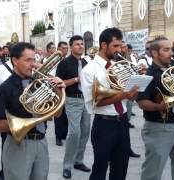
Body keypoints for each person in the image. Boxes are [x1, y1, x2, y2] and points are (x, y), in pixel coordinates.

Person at [0, 42, 65, 180]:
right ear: (15, 61)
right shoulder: (4, 89)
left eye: (34, 60)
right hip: (18, 144)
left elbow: (57, 114)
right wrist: (24, 124)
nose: (33, 64)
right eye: (28, 60)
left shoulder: (40, 83)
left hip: (41, 142)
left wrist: (59, 92)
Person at [81, 27, 139, 180]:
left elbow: (130, 97)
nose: (119, 50)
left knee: (121, 169)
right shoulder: (89, 70)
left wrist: (137, 84)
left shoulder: (119, 66)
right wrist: (123, 95)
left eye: (121, 45)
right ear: (103, 45)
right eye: (115, 46)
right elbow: (94, 104)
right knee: (99, 170)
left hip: (123, 122)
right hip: (104, 125)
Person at [137, 36, 174, 180]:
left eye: (171, 49)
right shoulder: (147, 75)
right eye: (166, 50)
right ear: (154, 53)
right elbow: (141, 102)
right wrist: (159, 106)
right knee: (153, 172)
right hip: (158, 128)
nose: (171, 53)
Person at [56, 35, 91, 179]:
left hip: (86, 100)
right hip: (72, 100)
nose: (81, 46)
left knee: (85, 132)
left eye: (82, 44)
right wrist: (77, 79)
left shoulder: (86, 62)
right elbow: (58, 82)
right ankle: (67, 165)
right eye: (77, 44)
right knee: (74, 132)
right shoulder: (64, 63)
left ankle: (78, 161)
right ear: (71, 47)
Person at [53, 41, 69, 146]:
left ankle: (63, 134)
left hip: (66, 89)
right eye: (63, 48)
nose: (65, 50)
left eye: (67, 48)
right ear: (58, 48)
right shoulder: (53, 60)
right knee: (58, 115)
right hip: (55, 89)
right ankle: (58, 137)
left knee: (66, 114)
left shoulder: (67, 61)